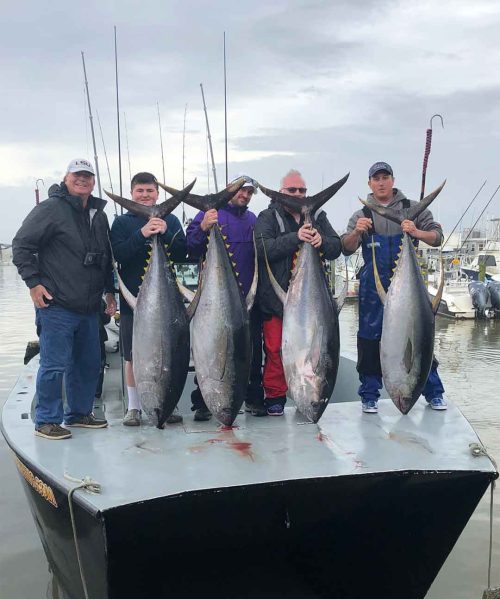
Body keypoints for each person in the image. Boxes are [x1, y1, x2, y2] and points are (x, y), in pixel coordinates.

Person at [12, 158, 117, 440]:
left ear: (93, 181)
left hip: (89, 307)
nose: (82, 180)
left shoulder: (99, 213)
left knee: (89, 364)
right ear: (66, 178)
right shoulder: (50, 209)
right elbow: (21, 245)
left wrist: (109, 291)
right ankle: (47, 419)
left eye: (87, 176)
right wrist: (33, 285)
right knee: (54, 365)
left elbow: (105, 257)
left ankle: (79, 413)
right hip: (56, 305)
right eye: (77, 175)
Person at [341, 161, 447, 413]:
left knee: (418, 335)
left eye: (385, 177)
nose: (380, 182)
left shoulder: (412, 208)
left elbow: (437, 237)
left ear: (392, 180)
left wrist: (416, 232)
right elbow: (345, 247)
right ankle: (369, 395)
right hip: (372, 286)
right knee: (369, 339)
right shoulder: (361, 215)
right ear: (369, 183)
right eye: (375, 178)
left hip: (409, 286)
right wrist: (357, 233)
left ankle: (434, 392)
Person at [255, 169, 343, 416]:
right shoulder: (269, 216)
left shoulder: (318, 216)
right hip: (277, 300)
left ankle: (304, 395)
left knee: (314, 350)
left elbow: (336, 247)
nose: (297, 195)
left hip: (313, 305)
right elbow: (261, 248)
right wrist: (296, 237)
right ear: (281, 193)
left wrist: (321, 241)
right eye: (292, 191)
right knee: (275, 350)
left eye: (302, 191)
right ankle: (275, 396)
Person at [110, 172, 188, 426]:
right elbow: (119, 253)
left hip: (168, 301)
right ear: (132, 193)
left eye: (150, 191)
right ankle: (133, 407)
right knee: (134, 355)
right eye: (140, 191)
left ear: (158, 193)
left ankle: (168, 401)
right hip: (134, 300)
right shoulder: (122, 223)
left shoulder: (172, 219)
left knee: (171, 351)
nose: (145, 195)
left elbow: (183, 254)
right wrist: (143, 233)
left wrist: (165, 233)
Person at [186, 174, 266, 420]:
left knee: (250, 352)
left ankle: (253, 399)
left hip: (246, 302)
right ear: (229, 190)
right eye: (240, 190)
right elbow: (190, 247)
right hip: (214, 302)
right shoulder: (209, 214)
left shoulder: (253, 220)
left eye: (249, 192)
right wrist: (202, 227)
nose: (244, 195)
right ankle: (203, 402)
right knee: (210, 349)